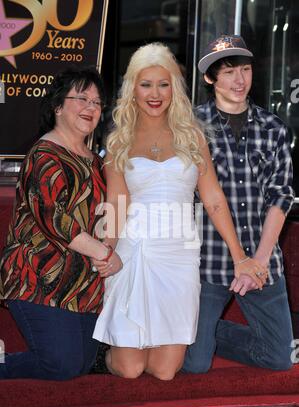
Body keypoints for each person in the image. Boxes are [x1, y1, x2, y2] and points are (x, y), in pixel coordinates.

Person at [92, 42, 266, 381]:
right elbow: (116, 203)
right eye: (146, 84)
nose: (155, 93)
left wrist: (240, 256)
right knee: (129, 370)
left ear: (174, 87)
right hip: (135, 251)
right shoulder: (119, 141)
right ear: (133, 89)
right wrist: (106, 250)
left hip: (179, 254)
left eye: (163, 83)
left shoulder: (192, 136)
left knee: (164, 371)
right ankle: (100, 353)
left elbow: (214, 199)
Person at [0, 66, 122, 380]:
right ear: (58, 106)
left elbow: (110, 210)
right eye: (82, 99)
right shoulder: (43, 154)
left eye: (97, 102)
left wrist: (110, 243)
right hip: (37, 279)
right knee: (63, 365)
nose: (91, 108)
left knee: (81, 365)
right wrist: (104, 253)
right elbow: (54, 219)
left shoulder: (96, 161)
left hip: (82, 284)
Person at [183, 35, 295, 374]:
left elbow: (281, 195)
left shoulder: (273, 127)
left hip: (263, 260)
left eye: (245, 70)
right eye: (230, 71)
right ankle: (198, 336)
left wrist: (258, 262)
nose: (240, 80)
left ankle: (206, 333)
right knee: (196, 365)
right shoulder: (190, 127)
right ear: (210, 78)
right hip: (209, 259)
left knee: (278, 358)